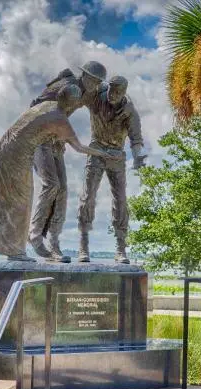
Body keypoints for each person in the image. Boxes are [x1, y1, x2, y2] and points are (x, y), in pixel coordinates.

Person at [0, 85, 119, 261]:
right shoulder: (60, 120)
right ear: (71, 103)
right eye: (78, 102)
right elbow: (79, 148)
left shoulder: (48, 104)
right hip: (18, 155)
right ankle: (15, 251)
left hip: (4, 147)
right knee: (21, 200)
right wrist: (104, 153)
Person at [28, 61, 107, 263]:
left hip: (56, 142)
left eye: (99, 82)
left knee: (62, 190)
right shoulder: (64, 86)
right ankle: (35, 235)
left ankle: (53, 243)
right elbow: (35, 107)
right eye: (94, 80)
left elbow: (103, 97)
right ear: (85, 76)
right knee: (51, 184)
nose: (96, 84)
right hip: (40, 139)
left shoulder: (89, 92)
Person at [78, 76, 147, 264]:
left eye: (117, 92)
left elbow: (136, 139)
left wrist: (138, 157)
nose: (112, 95)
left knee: (121, 200)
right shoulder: (96, 97)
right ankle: (83, 245)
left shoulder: (129, 111)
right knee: (88, 196)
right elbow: (80, 90)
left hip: (117, 156)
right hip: (96, 150)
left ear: (124, 92)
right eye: (111, 90)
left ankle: (120, 248)